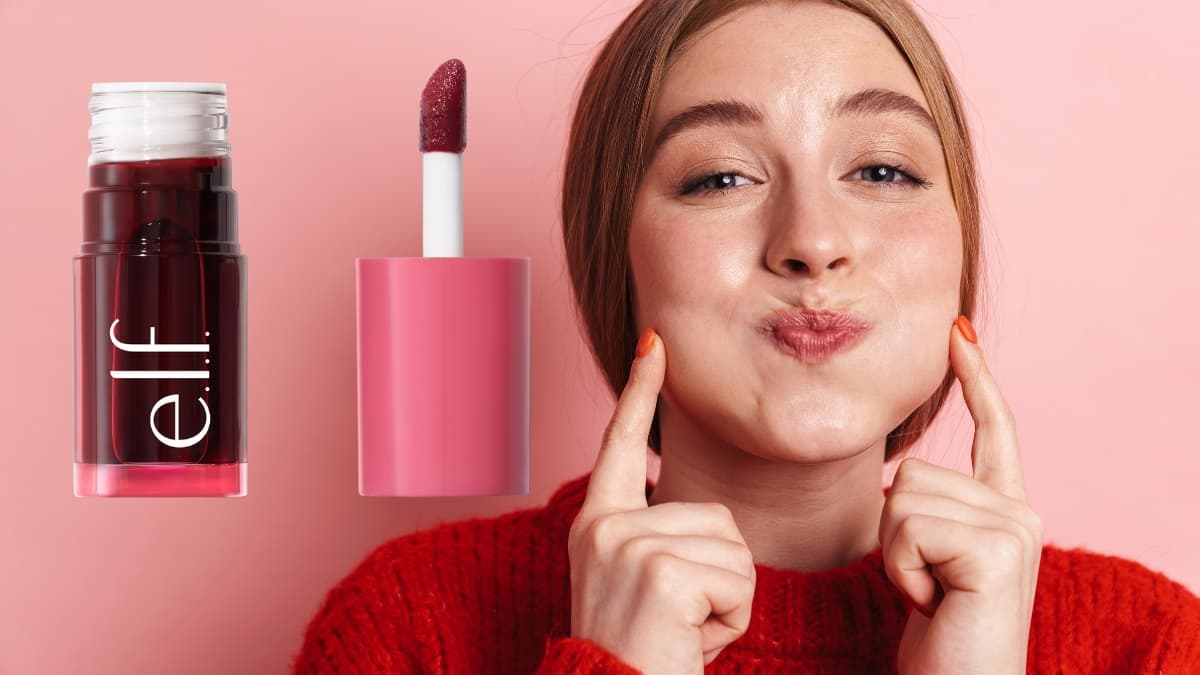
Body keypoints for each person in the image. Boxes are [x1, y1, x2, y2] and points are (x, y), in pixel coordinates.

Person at [293, 0, 1200, 672]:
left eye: (883, 170)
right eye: (721, 179)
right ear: (617, 257)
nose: (813, 241)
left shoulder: (1149, 644)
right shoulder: (411, 625)